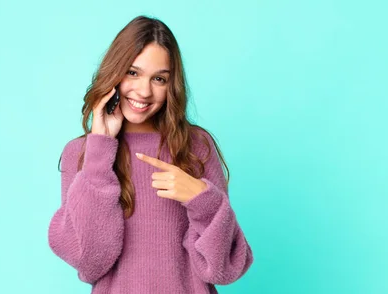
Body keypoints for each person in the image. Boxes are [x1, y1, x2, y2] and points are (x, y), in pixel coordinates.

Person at [48, 15, 253, 293]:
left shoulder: (196, 146)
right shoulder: (82, 153)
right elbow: (90, 261)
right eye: (133, 73)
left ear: (172, 84)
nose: (144, 91)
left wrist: (202, 201)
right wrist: (100, 149)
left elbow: (224, 268)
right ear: (114, 73)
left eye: (158, 78)